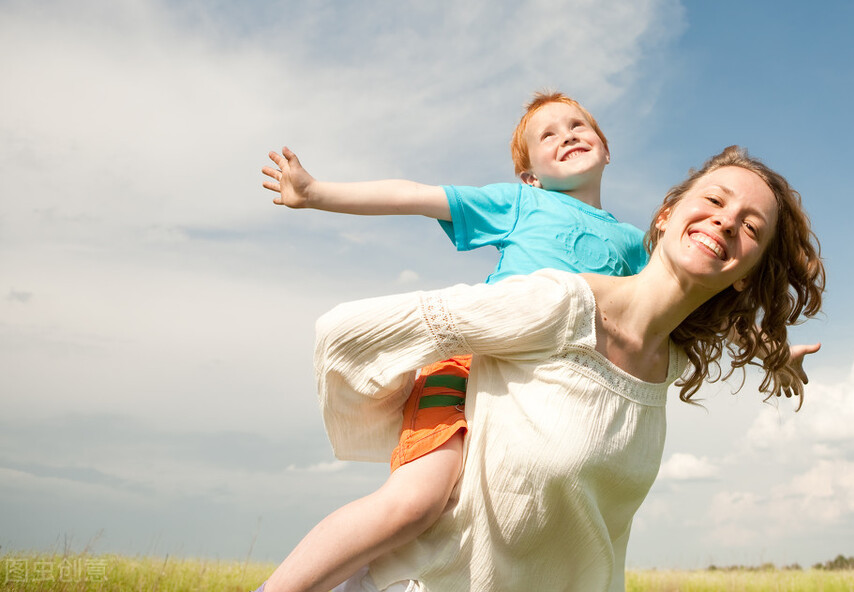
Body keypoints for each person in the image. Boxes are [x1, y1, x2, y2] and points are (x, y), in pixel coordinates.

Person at [310, 145, 825, 591]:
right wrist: (431, 413)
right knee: (413, 503)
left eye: (751, 226)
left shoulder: (669, 358)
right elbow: (351, 334)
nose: (728, 220)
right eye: (714, 200)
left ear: (746, 275)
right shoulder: (557, 295)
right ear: (667, 214)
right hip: (429, 544)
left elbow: (708, 322)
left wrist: (774, 355)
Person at [259, 91, 648, 592]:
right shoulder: (523, 203)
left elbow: (688, 305)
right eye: (547, 135)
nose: (567, 135)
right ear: (531, 176)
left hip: (543, 399)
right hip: (466, 369)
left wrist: (775, 354)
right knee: (415, 504)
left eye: (578, 125)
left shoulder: (635, 245)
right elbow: (416, 195)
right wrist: (315, 193)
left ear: (606, 149)